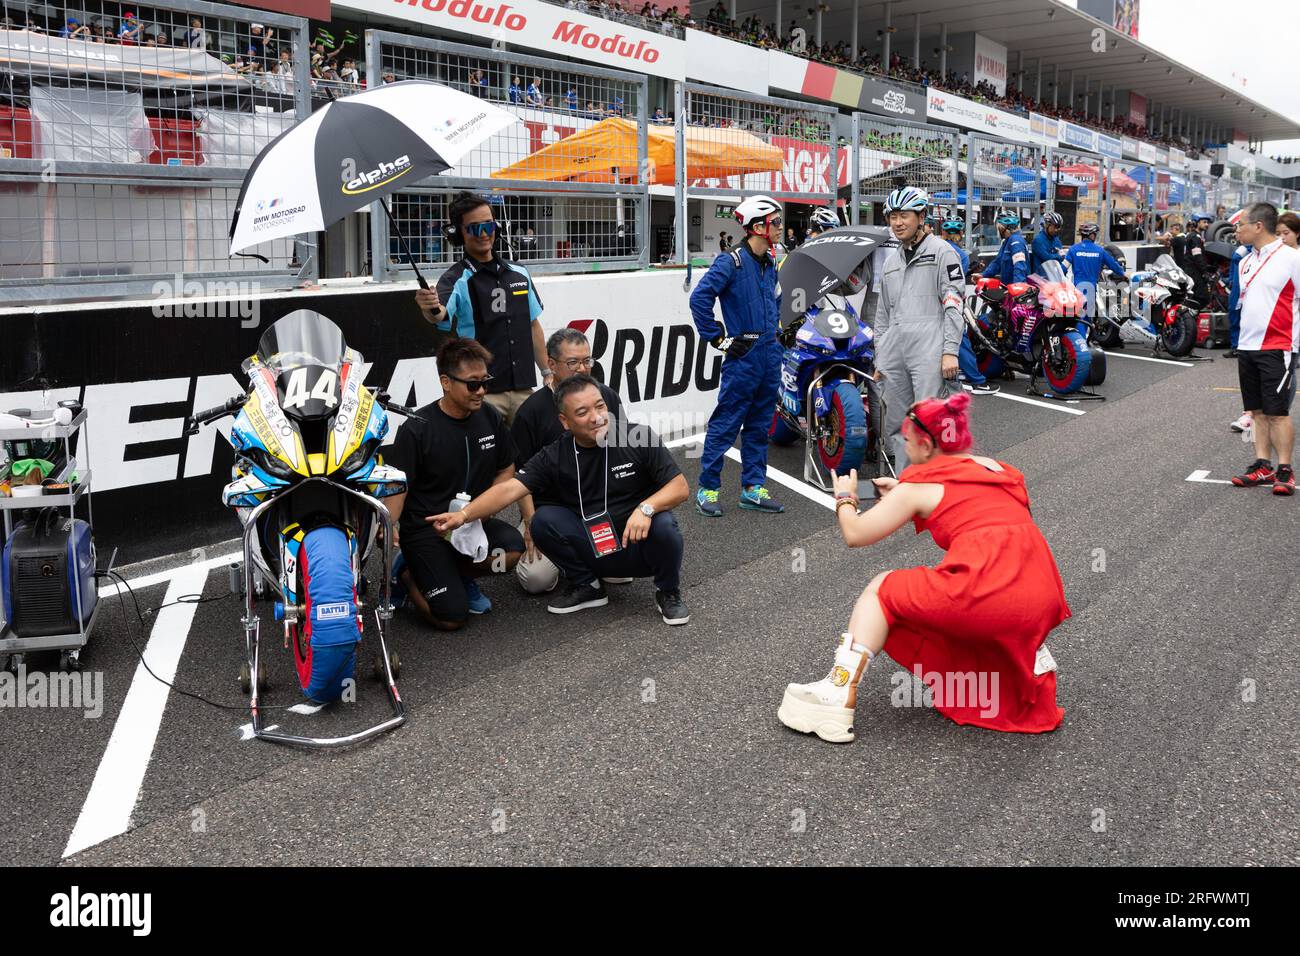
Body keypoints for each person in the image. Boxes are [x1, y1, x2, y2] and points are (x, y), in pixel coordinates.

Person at [778, 393, 1068, 742]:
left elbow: (855, 534)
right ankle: (992, 688)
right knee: (948, 588)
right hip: (1040, 594)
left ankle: (837, 691)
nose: (903, 444)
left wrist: (845, 498)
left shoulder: (918, 486)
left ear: (927, 445)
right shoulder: (997, 469)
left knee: (883, 589)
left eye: (906, 439)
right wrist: (903, 491)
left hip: (992, 595)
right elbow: (978, 510)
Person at [432, 375, 691, 624]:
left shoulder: (638, 436)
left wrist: (646, 508)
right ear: (565, 422)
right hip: (593, 544)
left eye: (600, 406)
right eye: (582, 412)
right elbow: (511, 488)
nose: (597, 417)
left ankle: (668, 591)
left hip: (636, 543)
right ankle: (588, 586)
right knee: (543, 520)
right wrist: (464, 515)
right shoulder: (555, 454)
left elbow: (679, 487)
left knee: (664, 524)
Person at [386, 339, 526, 629]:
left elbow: (506, 468)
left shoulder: (489, 416)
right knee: (451, 618)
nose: (483, 391)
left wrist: (480, 510)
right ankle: (409, 576)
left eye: (485, 381)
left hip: (468, 522)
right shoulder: (417, 428)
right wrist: (388, 528)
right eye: (473, 384)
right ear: (446, 382)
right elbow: (398, 488)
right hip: (427, 530)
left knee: (511, 551)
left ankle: (459, 575)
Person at [415, 192, 549, 425]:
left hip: (524, 391)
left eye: (489, 225)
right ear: (459, 233)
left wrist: (547, 372)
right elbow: (438, 315)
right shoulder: (455, 278)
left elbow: (533, 325)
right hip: (483, 395)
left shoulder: (520, 272)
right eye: (475, 228)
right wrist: (429, 306)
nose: (485, 233)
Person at [689, 194, 785, 517]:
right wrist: (719, 339)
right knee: (726, 423)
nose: (781, 227)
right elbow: (699, 299)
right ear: (758, 226)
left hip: (770, 353)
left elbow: (775, 301)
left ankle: (752, 488)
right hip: (743, 356)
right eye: (776, 221)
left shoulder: (770, 262)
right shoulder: (731, 262)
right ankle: (708, 488)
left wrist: (778, 333)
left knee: (760, 425)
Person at [510, 328, 623, 594]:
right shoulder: (531, 412)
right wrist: (530, 523)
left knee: (622, 573)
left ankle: (582, 557)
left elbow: (620, 456)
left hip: (597, 504)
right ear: (551, 364)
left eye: (587, 361)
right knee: (536, 580)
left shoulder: (607, 397)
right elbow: (520, 476)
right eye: (573, 362)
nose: (582, 369)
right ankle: (571, 555)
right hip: (550, 510)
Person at [875, 187, 967, 465]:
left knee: (930, 422)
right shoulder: (891, 262)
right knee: (898, 425)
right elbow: (883, 316)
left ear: (921, 216)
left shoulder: (942, 252)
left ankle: (936, 489)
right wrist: (882, 357)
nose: (898, 222)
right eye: (893, 217)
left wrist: (950, 350)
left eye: (904, 216)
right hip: (897, 353)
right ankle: (907, 486)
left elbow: (953, 302)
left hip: (929, 351)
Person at [1228, 202, 1299, 496]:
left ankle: (1285, 469)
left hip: (1278, 345)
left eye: (1241, 224)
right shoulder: (1246, 261)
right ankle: (1262, 464)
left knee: (1277, 412)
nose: (1237, 229)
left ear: (1258, 226)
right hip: (1247, 345)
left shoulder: (1292, 258)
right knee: (1256, 411)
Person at [943, 219, 998, 396]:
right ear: (959, 235)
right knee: (960, 339)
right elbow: (956, 280)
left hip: (929, 304)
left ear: (944, 233)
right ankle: (977, 381)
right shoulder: (962, 255)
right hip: (951, 301)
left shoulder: (934, 248)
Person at [1064, 223, 1127, 322]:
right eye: (1095, 234)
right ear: (1091, 235)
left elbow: (1063, 268)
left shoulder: (1073, 249)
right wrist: (1123, 274)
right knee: (1088, 319)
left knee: (1078, 318)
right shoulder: (1100, 251)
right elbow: (1114, 265)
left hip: (1077, 290)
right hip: (1091, 290)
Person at [982, 210, 1030, 285]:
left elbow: (1019, 265)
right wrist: (983, 275)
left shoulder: (1016, 241)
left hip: (1015, 290)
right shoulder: (1007, 241)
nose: (998, 229)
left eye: (1000, 227)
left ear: (1008, 227)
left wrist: (1018, 286)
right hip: (1008, 287)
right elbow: (997, 263)